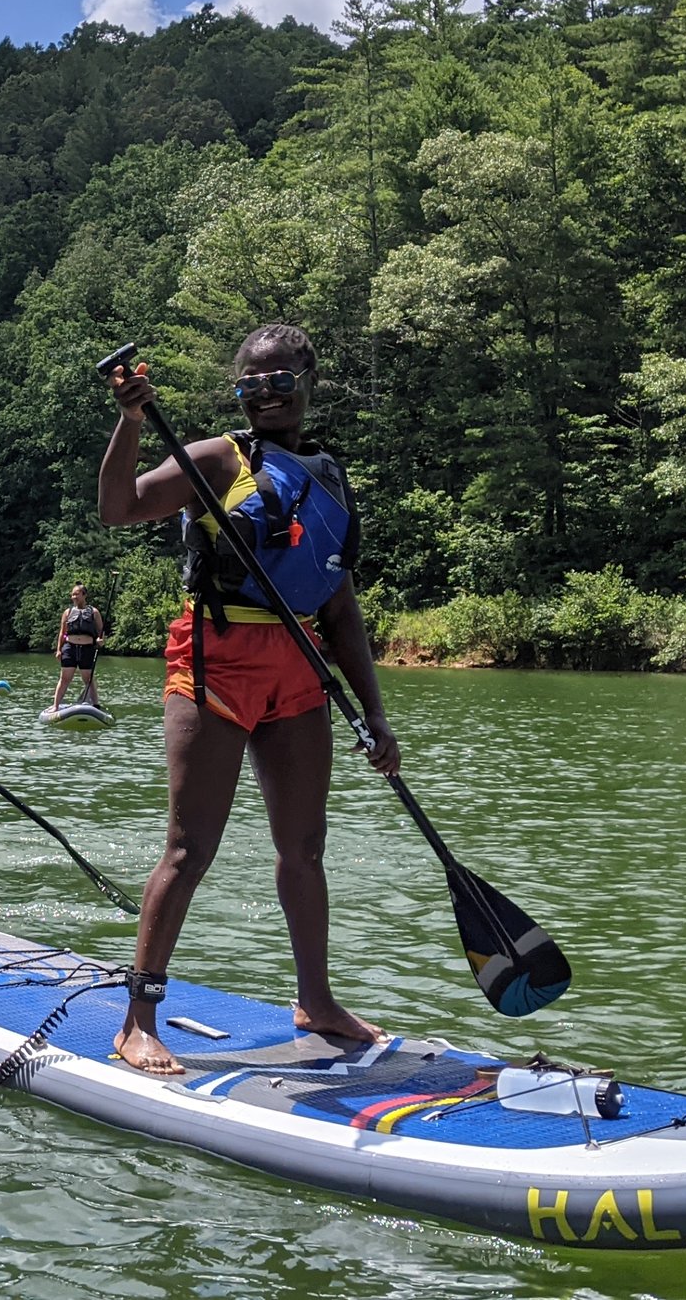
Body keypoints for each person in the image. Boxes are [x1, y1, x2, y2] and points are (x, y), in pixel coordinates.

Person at [96, 323, 398, 1074]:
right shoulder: (215, 458)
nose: (264, 396)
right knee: (189, 848)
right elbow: (118, 506)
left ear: (307, 381)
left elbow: (340, 608)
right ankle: (138, 1020)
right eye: (249, 385)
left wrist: (375, 714)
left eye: (279, 382)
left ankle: (316, 1001)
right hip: (214, 662)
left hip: (299, 665)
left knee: (305, 848)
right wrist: (131, 422)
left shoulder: (326, 474)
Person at [48, 583, 108, 710]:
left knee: (89, 679)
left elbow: (101, 632)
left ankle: (96, 704)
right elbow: (62, 632)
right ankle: (55, 706)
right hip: (70, 648)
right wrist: (59, 649)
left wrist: (101, 640)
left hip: (87, 649)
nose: (73, 596)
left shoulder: (94, 612)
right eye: (72, 594)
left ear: (84, 595)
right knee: (64, 678)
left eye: (76, 594)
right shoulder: (68, 612)